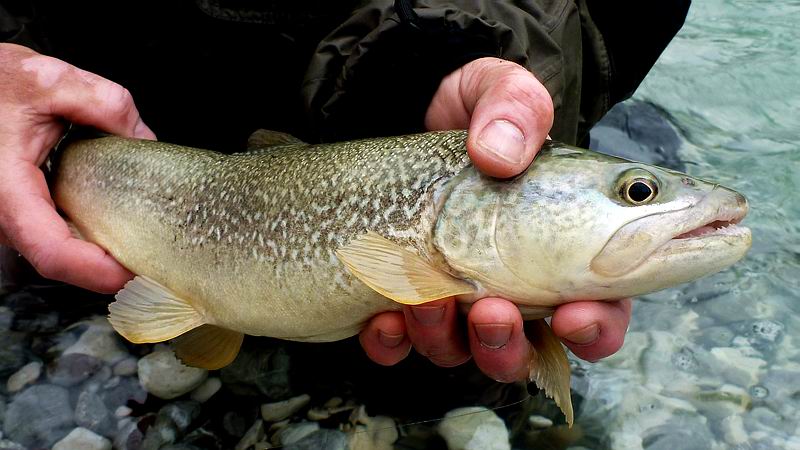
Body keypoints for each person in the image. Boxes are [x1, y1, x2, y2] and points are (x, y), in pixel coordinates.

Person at [0, 1, 689, 383]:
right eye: (636, 192)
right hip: (71, 112)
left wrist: (434, 61)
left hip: (363, 78)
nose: (656, 203)